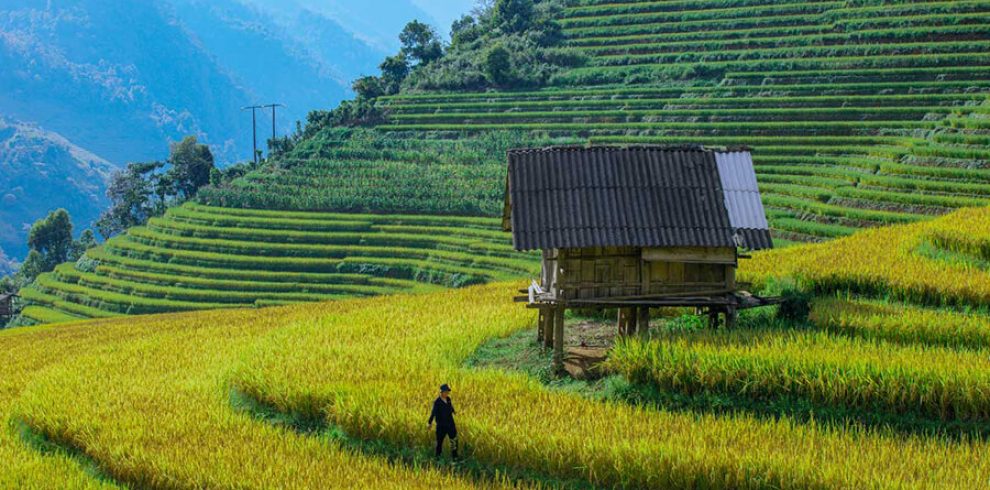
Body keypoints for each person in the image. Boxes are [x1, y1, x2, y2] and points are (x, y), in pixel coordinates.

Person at [427, 383, 458, 459]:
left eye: (448, 392)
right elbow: (433, 413)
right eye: (446, 392)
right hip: (441, 426)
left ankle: (455, 457)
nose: (447, 393)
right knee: (439, 443)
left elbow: (450, 407)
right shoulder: (437, 402)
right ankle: (438, 457)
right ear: (441, 392)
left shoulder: (448, 399)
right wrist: (429, 422)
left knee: (454, 440)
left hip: (450, 424)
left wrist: (454, 411)